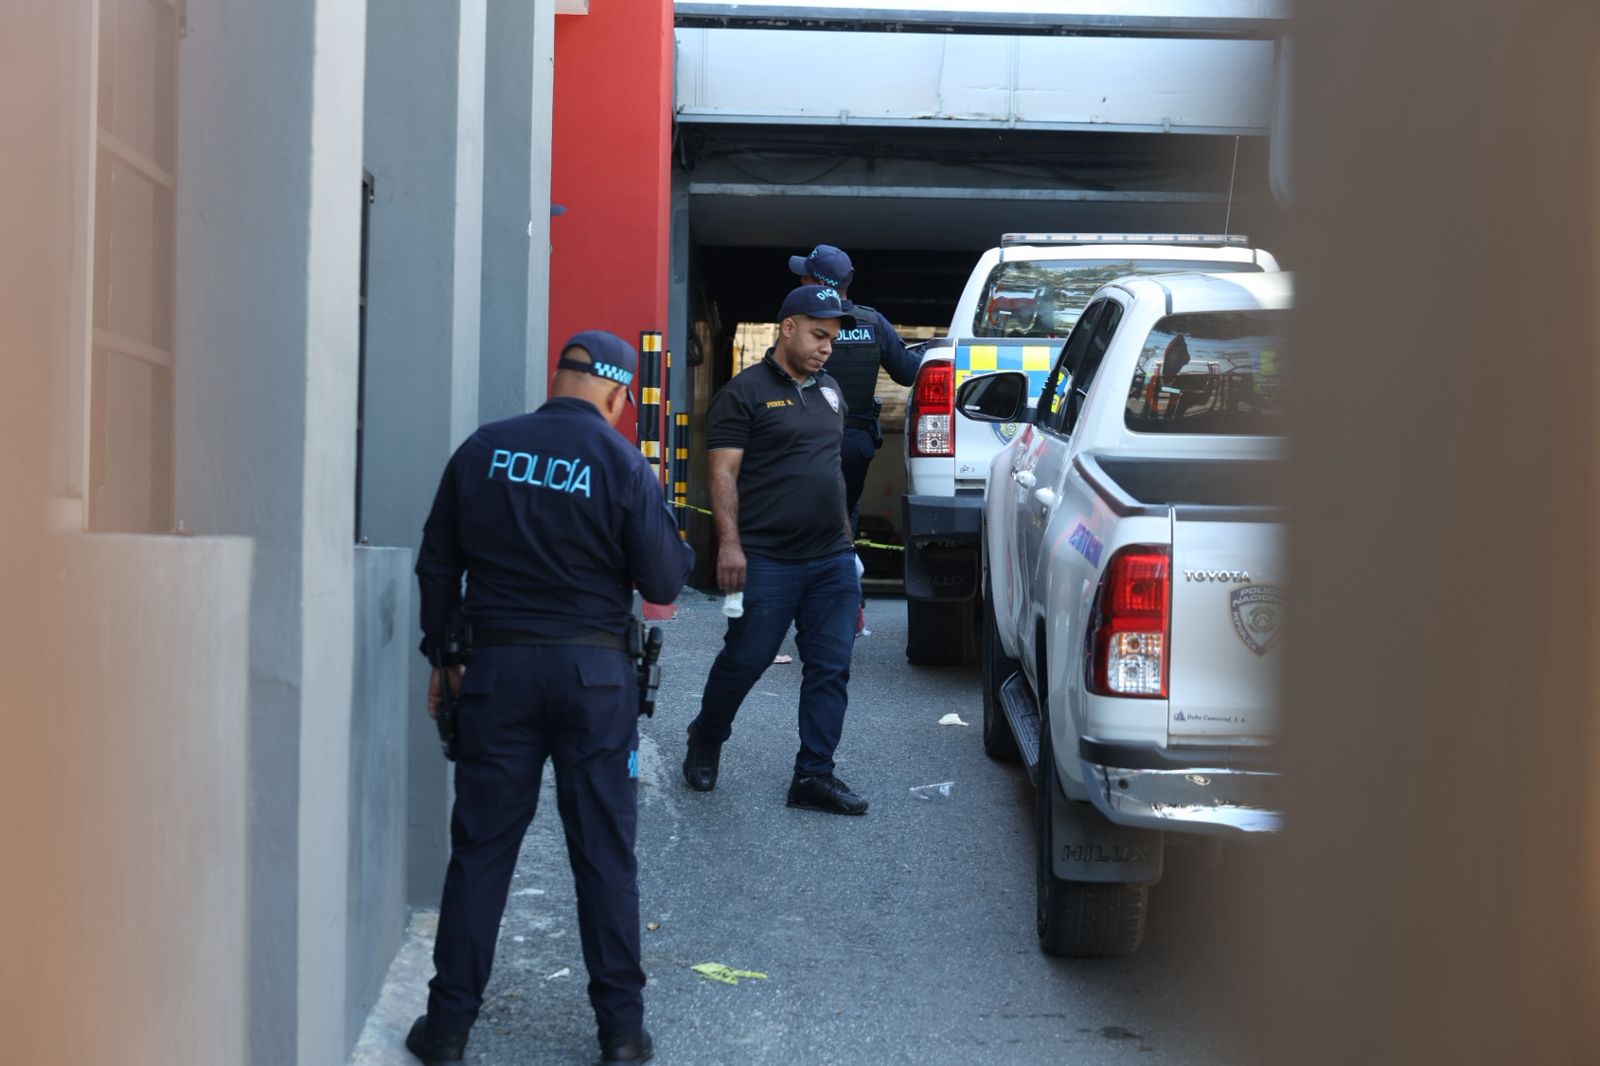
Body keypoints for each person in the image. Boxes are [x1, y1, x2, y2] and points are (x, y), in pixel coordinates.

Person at [407, 331, 693, 1066]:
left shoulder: (483, 450)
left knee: (481, 850)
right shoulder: (623, 464)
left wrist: (444, 656)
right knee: (604, 854)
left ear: (559, 377)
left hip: (495, 673)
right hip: (594, 679)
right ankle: (621, 1035)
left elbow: (436, 563)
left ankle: (446, 1030)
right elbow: (664, 581)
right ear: (619, 394)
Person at [681, 284, 868, 816]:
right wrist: (729, 545)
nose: (826, 347)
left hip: (831, 558)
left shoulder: (831, 391)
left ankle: (813, 774)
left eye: (832, 338)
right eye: (818, 335)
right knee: (747, 658)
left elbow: (829, 471)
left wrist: (847, 545)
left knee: (830, 666)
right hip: (767, 557)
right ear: (787, 328)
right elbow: (722, 474)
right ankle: (707, 735)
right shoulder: (743, 393)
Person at [789, 244, 921, 633]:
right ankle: (847, 605)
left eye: (805, 275)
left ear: (815, 283)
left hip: (806, 442)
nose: (800, 280)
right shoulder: (873, 323)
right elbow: (908, 372)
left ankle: (819, 606)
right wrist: (933, 352)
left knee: (805, 523)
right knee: (842, 521)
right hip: (854, 445)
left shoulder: (801, 326)